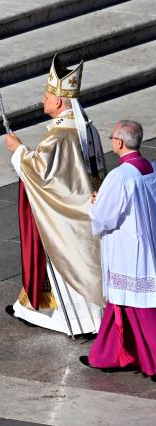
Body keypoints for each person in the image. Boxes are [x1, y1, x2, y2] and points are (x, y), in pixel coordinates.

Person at [3, 55, 107, 336]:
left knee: (69, 262)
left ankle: (81, 322)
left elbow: (41, 173)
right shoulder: (87, 128)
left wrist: (18, 150)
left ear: (60, 102)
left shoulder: (59, 137)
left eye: (47, 96)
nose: (42, 100)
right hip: (86, 208)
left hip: (67, 217)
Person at [80, 121, 156, 376]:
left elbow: (104, 218)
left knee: (140, 308)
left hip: (128, 252)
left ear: (119, 143)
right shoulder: (150, 168)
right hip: (147, 245)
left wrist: (94, 203)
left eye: (112, 137)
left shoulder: (119, 176)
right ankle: (106, 356)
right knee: (120, 305)